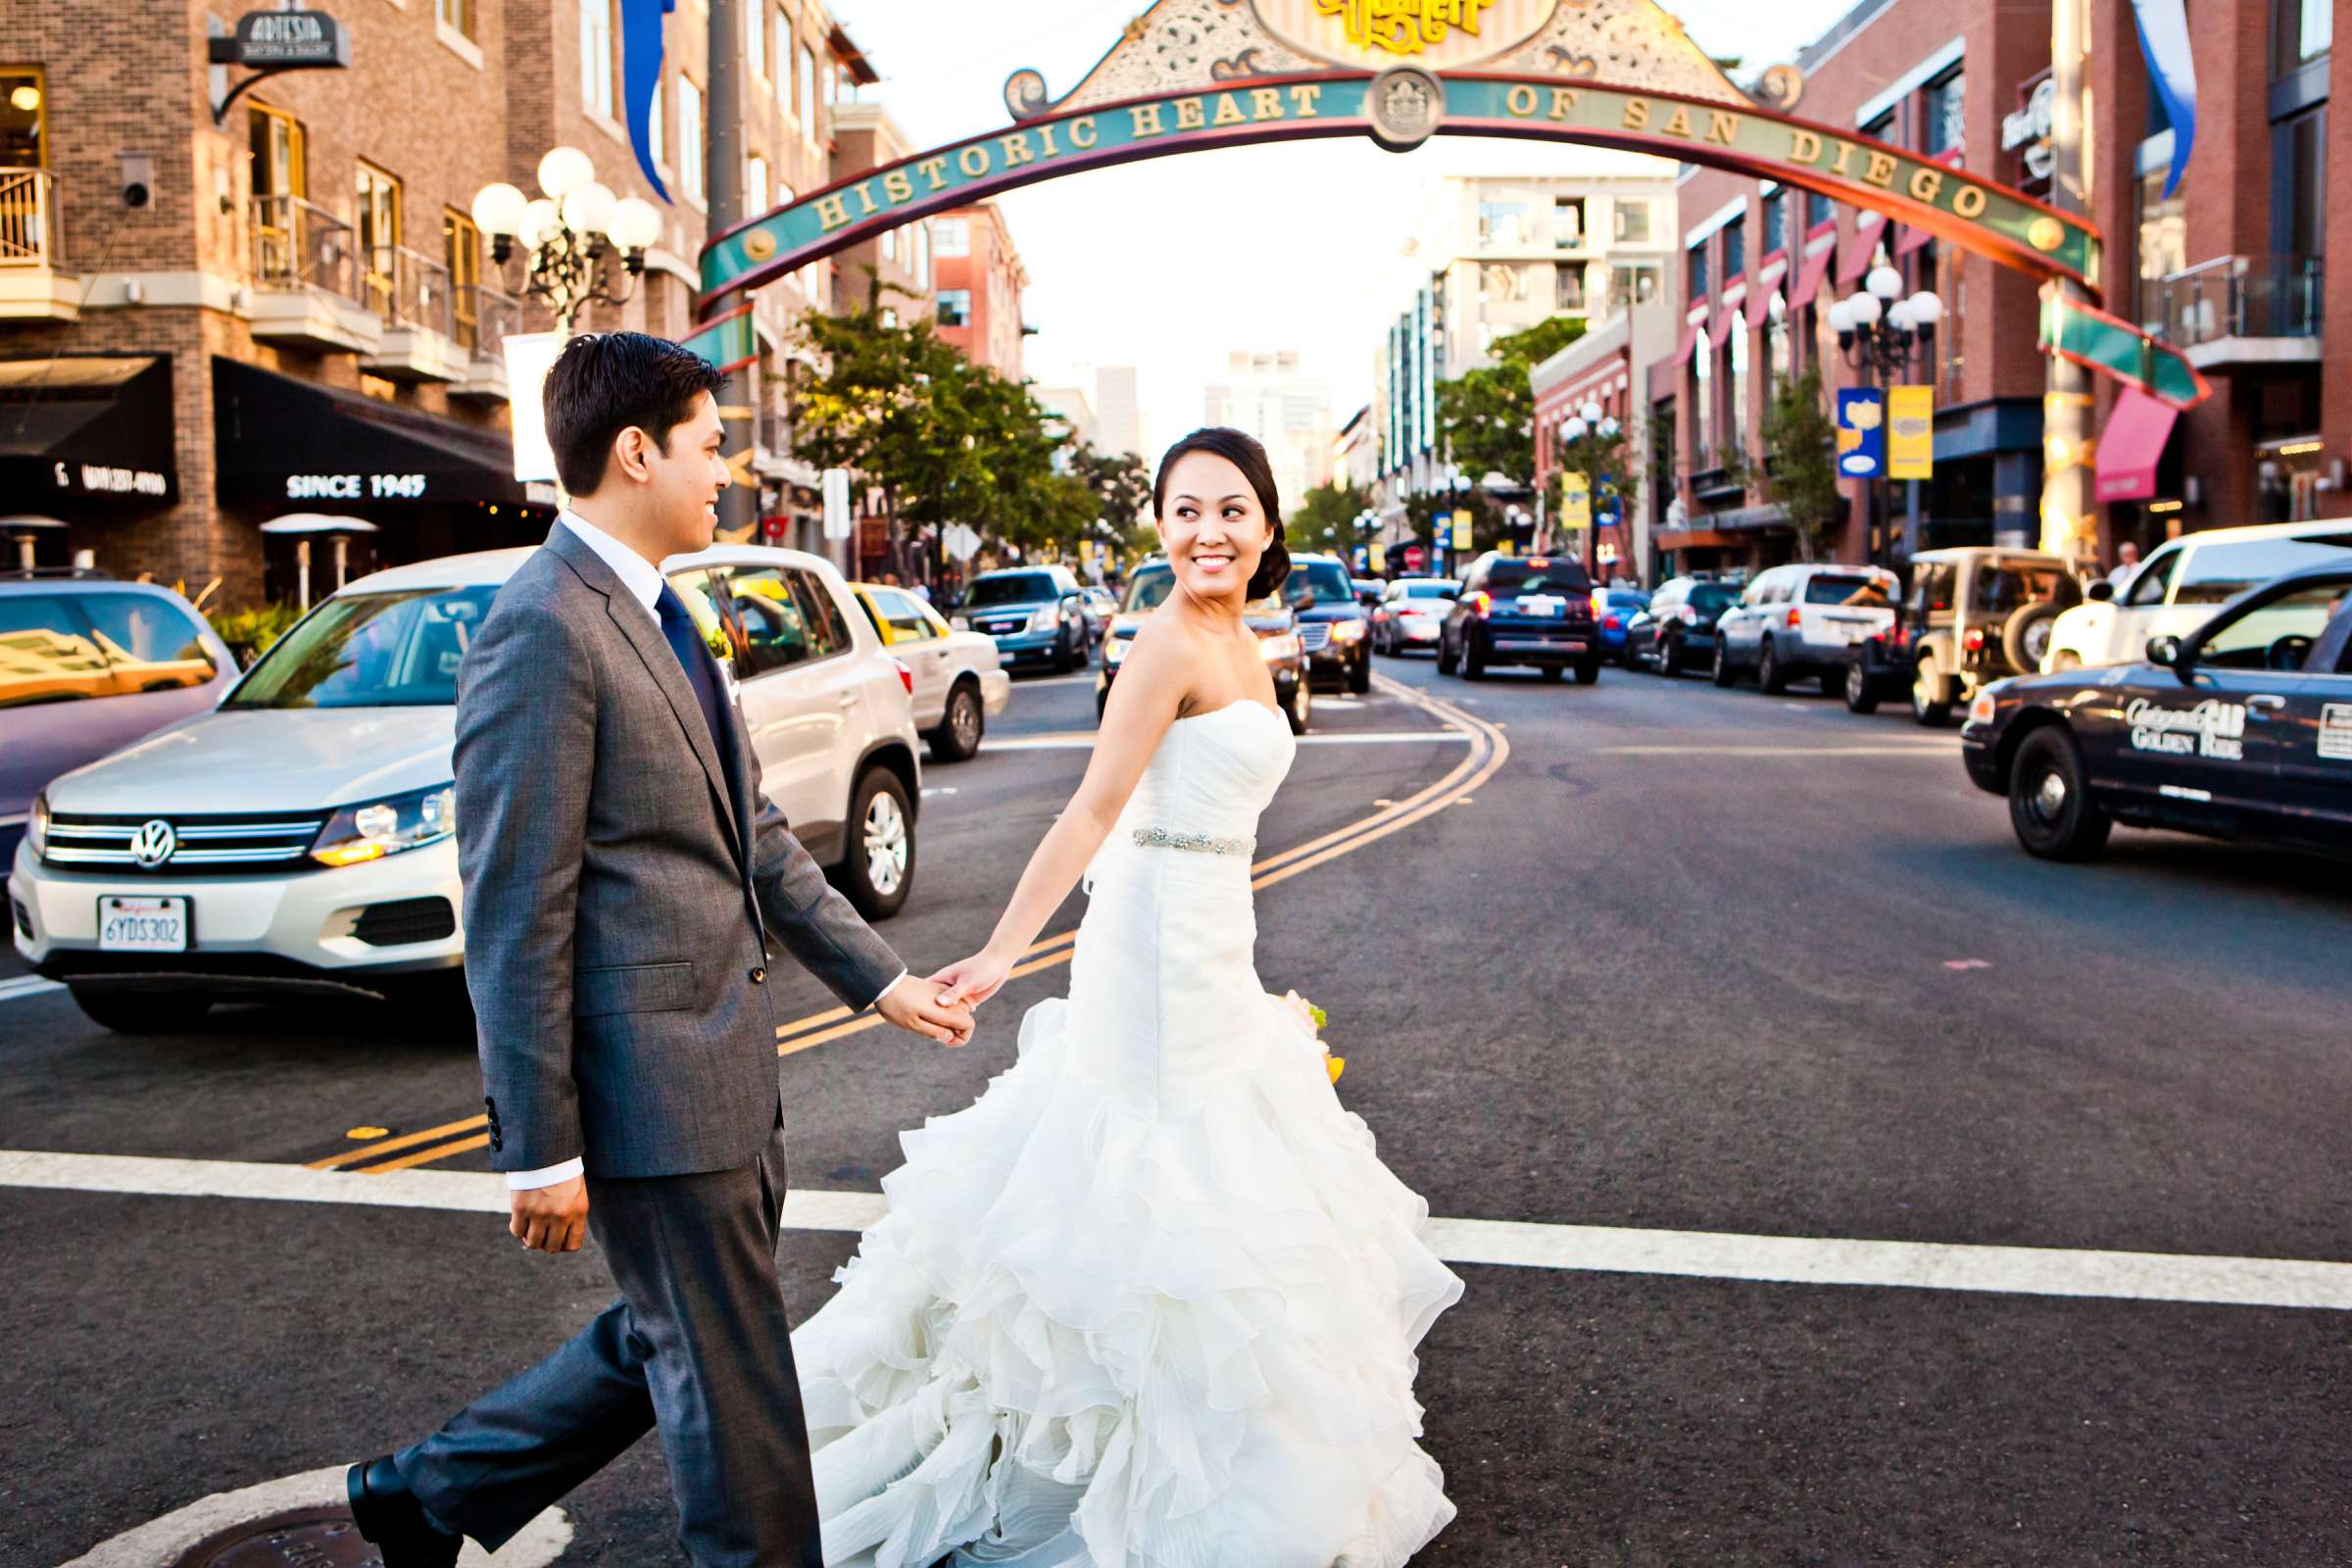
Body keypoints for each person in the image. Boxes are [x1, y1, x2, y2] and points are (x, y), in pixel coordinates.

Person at [345, 332, 974, 1568]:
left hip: (728, 1071)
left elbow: (761, 841)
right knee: (733, 1390)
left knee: (672, 1332)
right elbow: (519, 905)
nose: (726, 471)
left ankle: (424, 1494)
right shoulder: (544, 629)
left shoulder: (663, 610)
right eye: (711, 444)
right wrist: (541, 1143)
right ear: (636, 451)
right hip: (652, 1093)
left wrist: (885, 981)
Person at [791, 427, 1462, 1566]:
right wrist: (1006, 953)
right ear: (1160, 525)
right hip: (1152, 944)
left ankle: (1191, 1430)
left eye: (1233, 509)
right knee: (1161, 1178)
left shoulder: (1248, 635)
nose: (1210, 530)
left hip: (1209, 933)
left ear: (1267, 527)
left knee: (1210, 1169)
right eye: (1187, 509)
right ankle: (1135, 1448)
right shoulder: (1165, 644)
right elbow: (1090, 809)